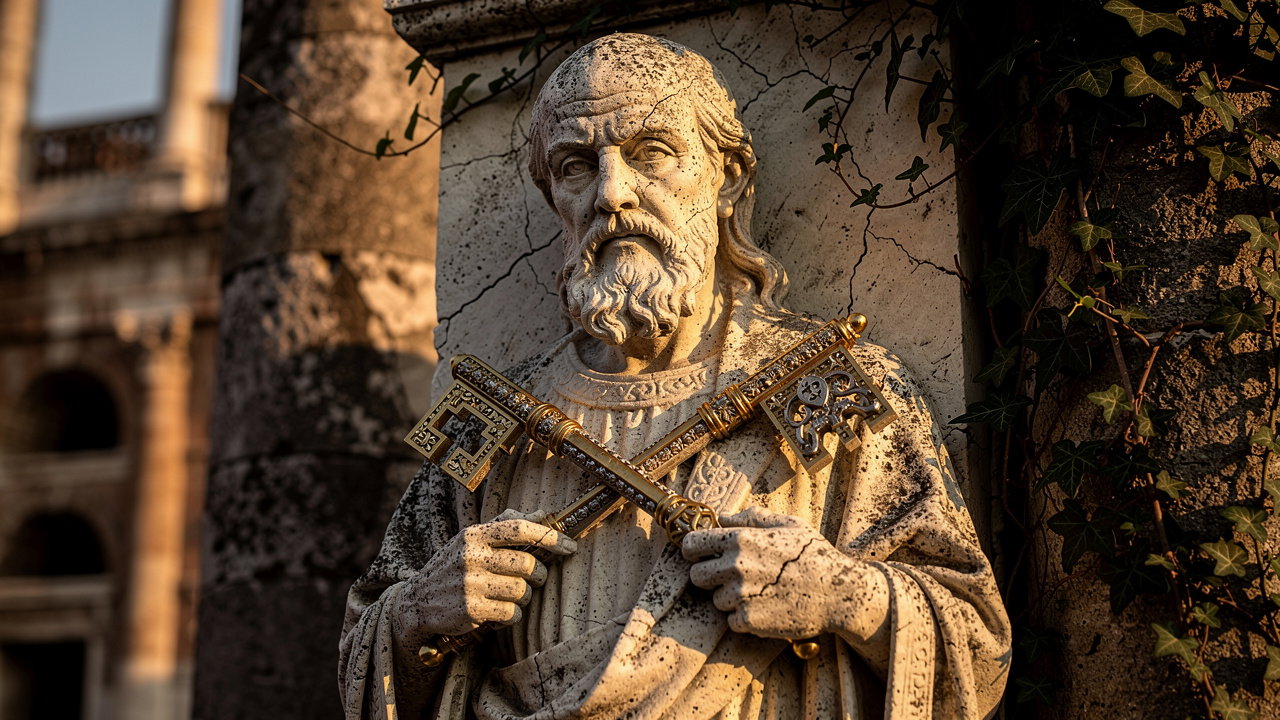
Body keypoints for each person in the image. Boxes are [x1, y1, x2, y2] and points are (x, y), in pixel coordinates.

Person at [340, 33, 1010, 720]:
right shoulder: (491, 416)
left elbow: (977, 649)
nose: (612, 194)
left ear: (728, 179)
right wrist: (419, 614)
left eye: (651, 152)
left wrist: (841, 594)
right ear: (554, 197)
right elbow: (364, 654)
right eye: (576, 166)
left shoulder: (828, 385)